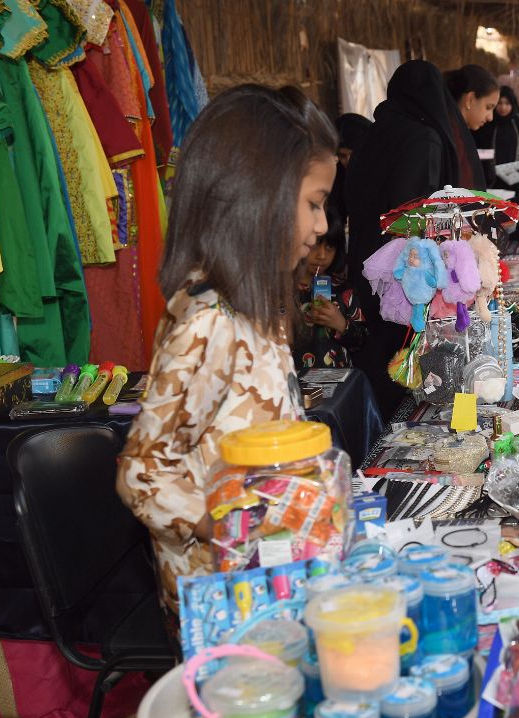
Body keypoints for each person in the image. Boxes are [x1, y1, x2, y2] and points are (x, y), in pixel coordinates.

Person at [117, 85, 336, 616]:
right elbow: (142, 475)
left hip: (267, 584)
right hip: (225, 606)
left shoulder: (255, 311)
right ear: (257, 197)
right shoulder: (210, 324)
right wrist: (237, 531)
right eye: (313, 204)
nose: (323, 226)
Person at [347, 60, 466, 419]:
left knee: (380, 349)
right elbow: (413, 210)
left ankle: (374, 427)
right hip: (403, 272)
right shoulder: (423, 137)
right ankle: (394, 432)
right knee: (401, 355)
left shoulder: (376, 131)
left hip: (367, 261)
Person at [293, 207, 365, 370]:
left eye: (329, 247)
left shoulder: (344, 290)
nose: (322, 255)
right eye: (315, 245)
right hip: (294, 382)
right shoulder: (282, 290)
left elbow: (361, 342)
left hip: (338, 384)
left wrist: (341, 324)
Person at [444, 64, 499, 190]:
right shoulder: (451, 135)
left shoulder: (457, 131)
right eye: (488, 107)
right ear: (470, 99)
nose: (490, 117)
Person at [476, 86, 519, 189]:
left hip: (515, 179)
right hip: (489, 179)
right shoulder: (487, 122)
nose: (503, 107)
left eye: (507, 103)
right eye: (500, 103)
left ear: (513, 104)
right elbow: (476, 146)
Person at [327, 112, 372, 225]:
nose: (348, 161)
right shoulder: (340, 173)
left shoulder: (390, 171)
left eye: (354, 153)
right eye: (342, 156)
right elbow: (335, 215)